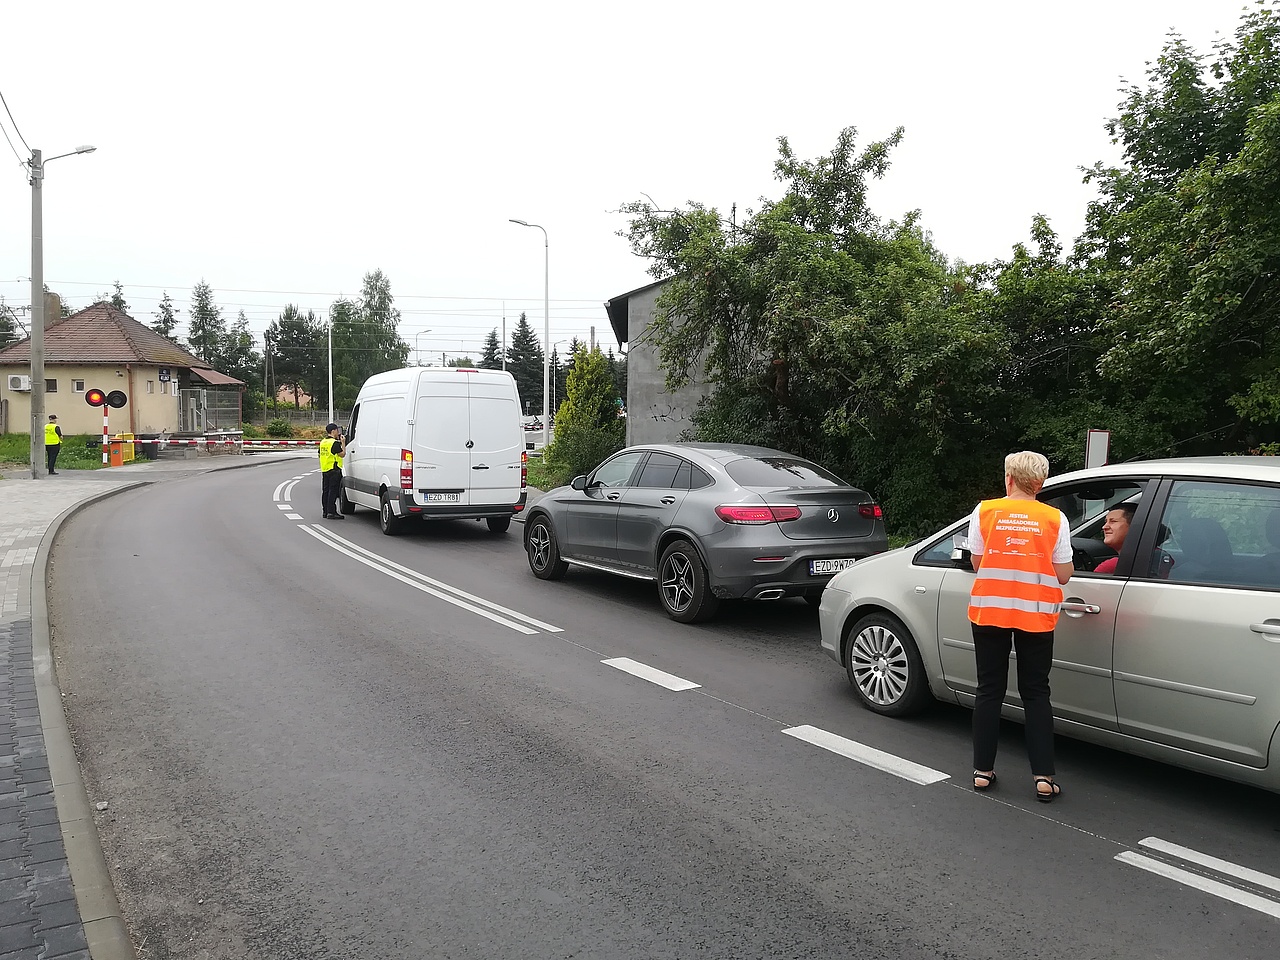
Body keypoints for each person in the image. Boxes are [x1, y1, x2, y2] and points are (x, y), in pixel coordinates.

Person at [965, 451, 1074, 802]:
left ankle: (983, 771)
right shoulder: (1055, 518)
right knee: (1036, 692)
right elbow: (1063, 574)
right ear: (1039, 483)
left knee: (989, 689)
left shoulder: (985, 511)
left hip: (989, 611)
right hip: (1035, 615)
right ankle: (1043, 777)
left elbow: (977, 561)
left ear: (1009, 478)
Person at [1093, 503, 1136, 575]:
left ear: (1133, 526)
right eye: (1106, 522)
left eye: (1113, 521)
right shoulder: (1158, 557)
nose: (1104, 527)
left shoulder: (1112, 566)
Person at [319, 423, 346, 520]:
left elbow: (320, 454)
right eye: (337, 430)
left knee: (325, 491)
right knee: (333, 491)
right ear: (333, 431)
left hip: (325, 469)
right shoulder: (334, 443)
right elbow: (342, 454)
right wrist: (343, 443)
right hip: (334, 470)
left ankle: (325, 511)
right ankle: (331, 512)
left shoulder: (323, 442)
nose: (338, 432)